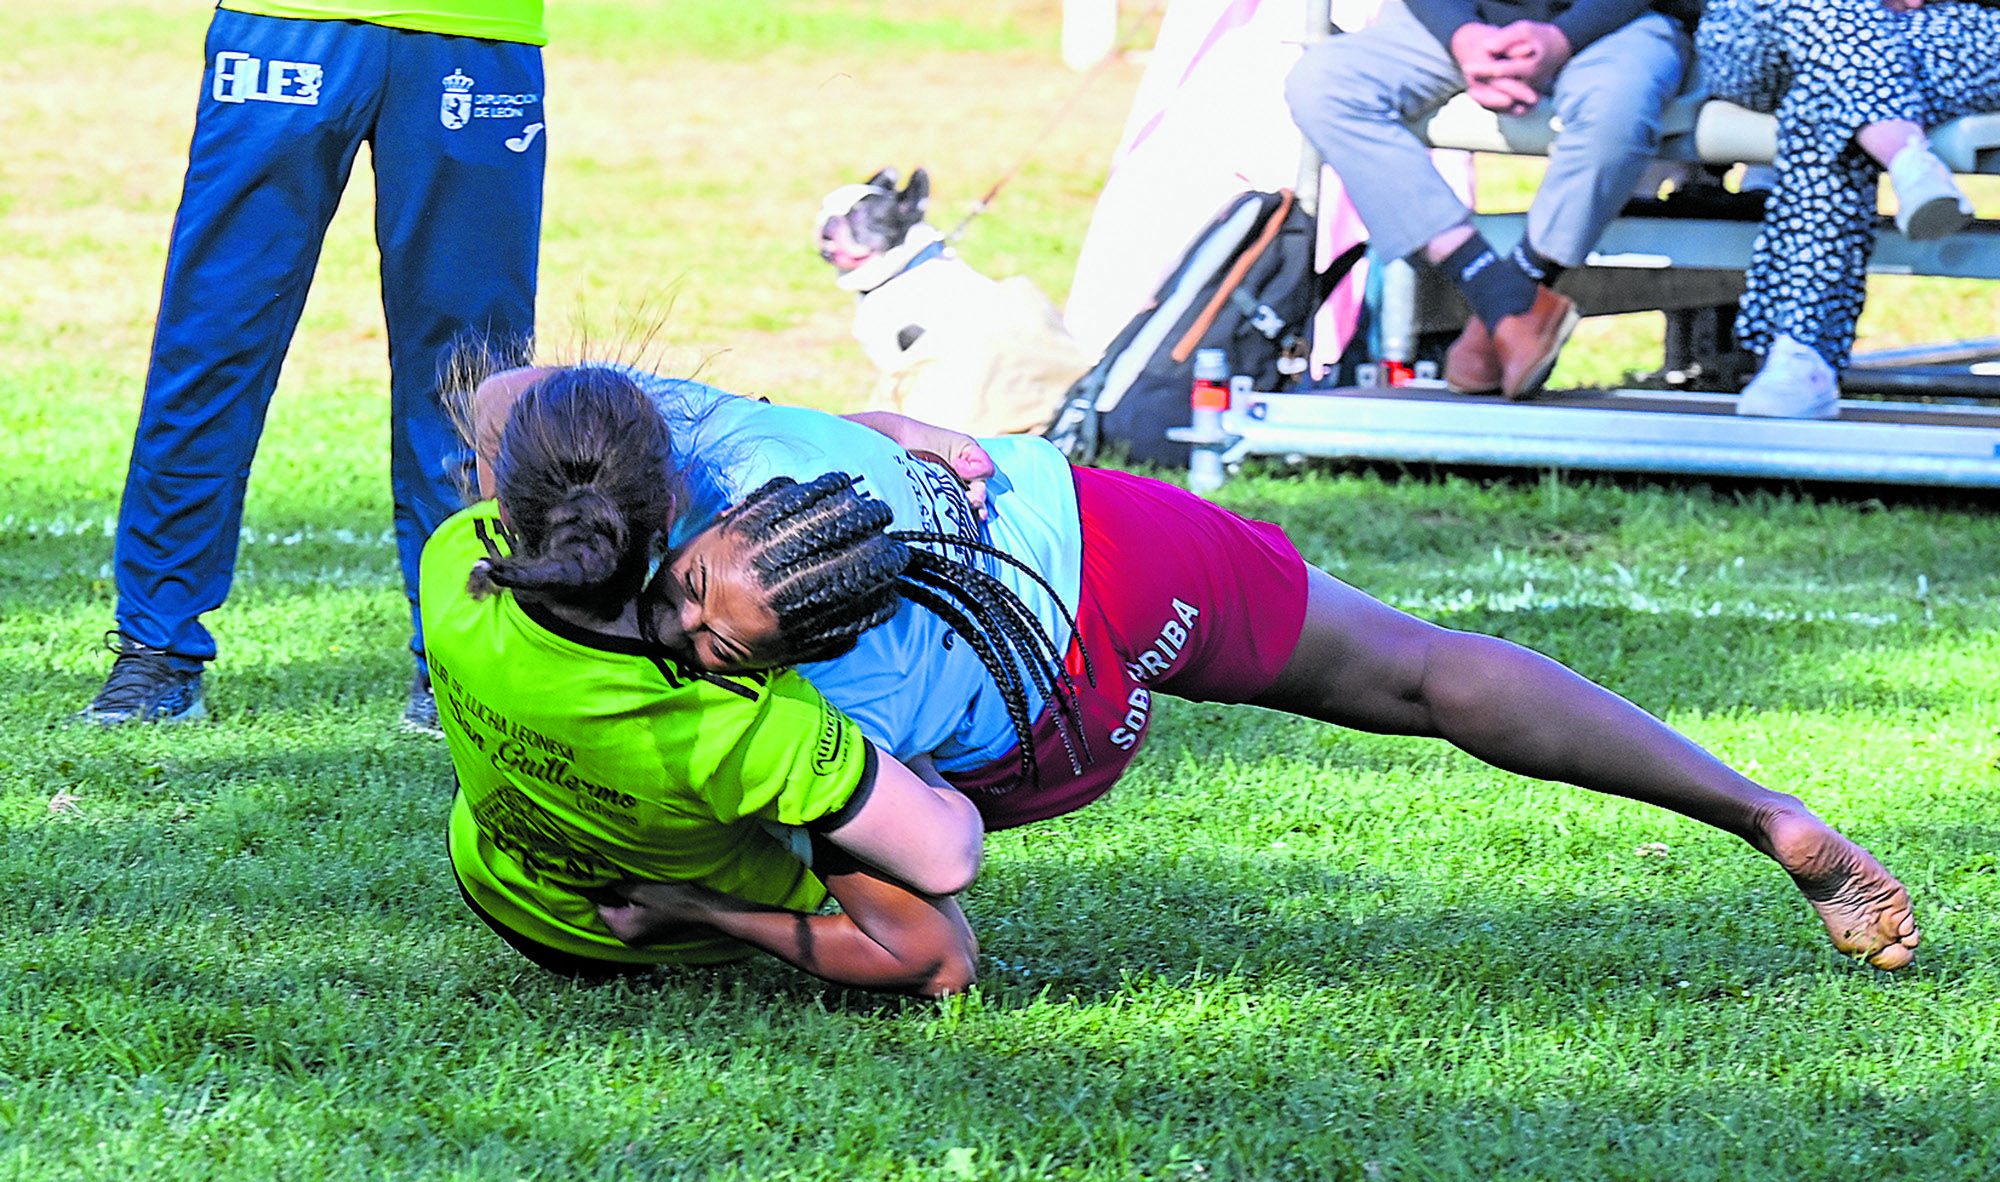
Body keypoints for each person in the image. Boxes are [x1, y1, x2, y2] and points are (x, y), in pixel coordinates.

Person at [468, 362, 1924, 977]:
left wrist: (695, 907)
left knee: (782, 845)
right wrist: (877, 417)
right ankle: (1762, 814)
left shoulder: (798, 693)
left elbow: (941, 928)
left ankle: (700, 894)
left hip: (1033, 723)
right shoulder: (718, 440)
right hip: (1093, 534)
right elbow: (512, 395)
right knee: (1423, 672)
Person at [421, 366, 1058, 997]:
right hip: (639, 932)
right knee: (842, 822)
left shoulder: (452, 560)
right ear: (673, 511)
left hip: (500, 886)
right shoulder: (747, 719)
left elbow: (500, 395)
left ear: (510, 504)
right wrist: (697, 908)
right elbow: (943, 917)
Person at [81, 1, 547, 732]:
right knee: (213, 339)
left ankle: (461, 660)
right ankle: (155, 649)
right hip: (285, 21)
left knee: (473, 375)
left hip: (479, 30)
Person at [1284, 0, 1700, 399]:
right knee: (1321, 83)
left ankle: (1513, 294)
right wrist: (1462, 35)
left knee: (1617, 111)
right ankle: (1498, 295)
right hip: (1459, 22)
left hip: (1616, 22)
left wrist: (1562, 38)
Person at [1696, 0, 2000, 420]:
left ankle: (1800, 352)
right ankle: (1906, 157)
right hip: (1765, 32)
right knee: (1835, 25)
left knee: (1833, 85)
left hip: (1940, 30)